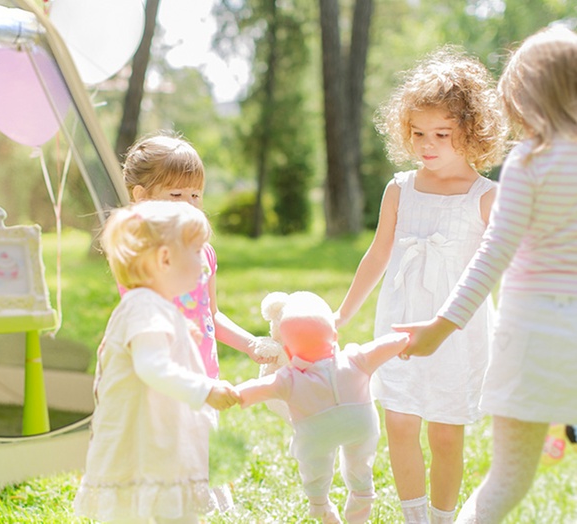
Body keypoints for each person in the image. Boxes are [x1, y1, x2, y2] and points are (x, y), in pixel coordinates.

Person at [394, 25, 577, 523]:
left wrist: (440, 326)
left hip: (532, 340)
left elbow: (494, 251)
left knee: (506, 480)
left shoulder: (530, 161)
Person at [333, 47, 508, 524]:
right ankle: (414, 519)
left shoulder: (487, 197)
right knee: (401, 423)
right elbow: (377, 255)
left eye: (441, 134)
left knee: (447, 435)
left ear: (471, 132)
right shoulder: (400, 189)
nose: (427, 145)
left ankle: (442, 518)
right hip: (400, 325)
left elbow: (503, 266)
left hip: (455, 333)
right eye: (418, 133)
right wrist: (342, 315)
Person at [73, 200, 240, 523]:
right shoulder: (145, 308)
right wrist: (205, 389)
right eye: (196, 252)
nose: (203, 263)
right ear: (165, 259)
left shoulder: (153, 306)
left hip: (156, 436)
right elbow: (152, 367)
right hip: (141, 443)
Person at [235, 291, 410, 524]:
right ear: (335, 336)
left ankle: (321, 505)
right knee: (360, 463)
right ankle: (361, 501)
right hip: (360, 423)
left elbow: (259, 387)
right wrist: (405, 339)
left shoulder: (289, 378)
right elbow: (383, 346)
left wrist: (233, 394)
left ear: (287, 351)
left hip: (316, 432)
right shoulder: (356, 359)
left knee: (315, 466)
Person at [121, 132, 274, 379]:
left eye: (195, 195)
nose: (189, 204)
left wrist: (250, 344)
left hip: (203, 375)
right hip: (159, 379)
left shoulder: (205, 253)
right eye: (176, 195)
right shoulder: (138, 253)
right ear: (142, 196)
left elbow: (211, 315)